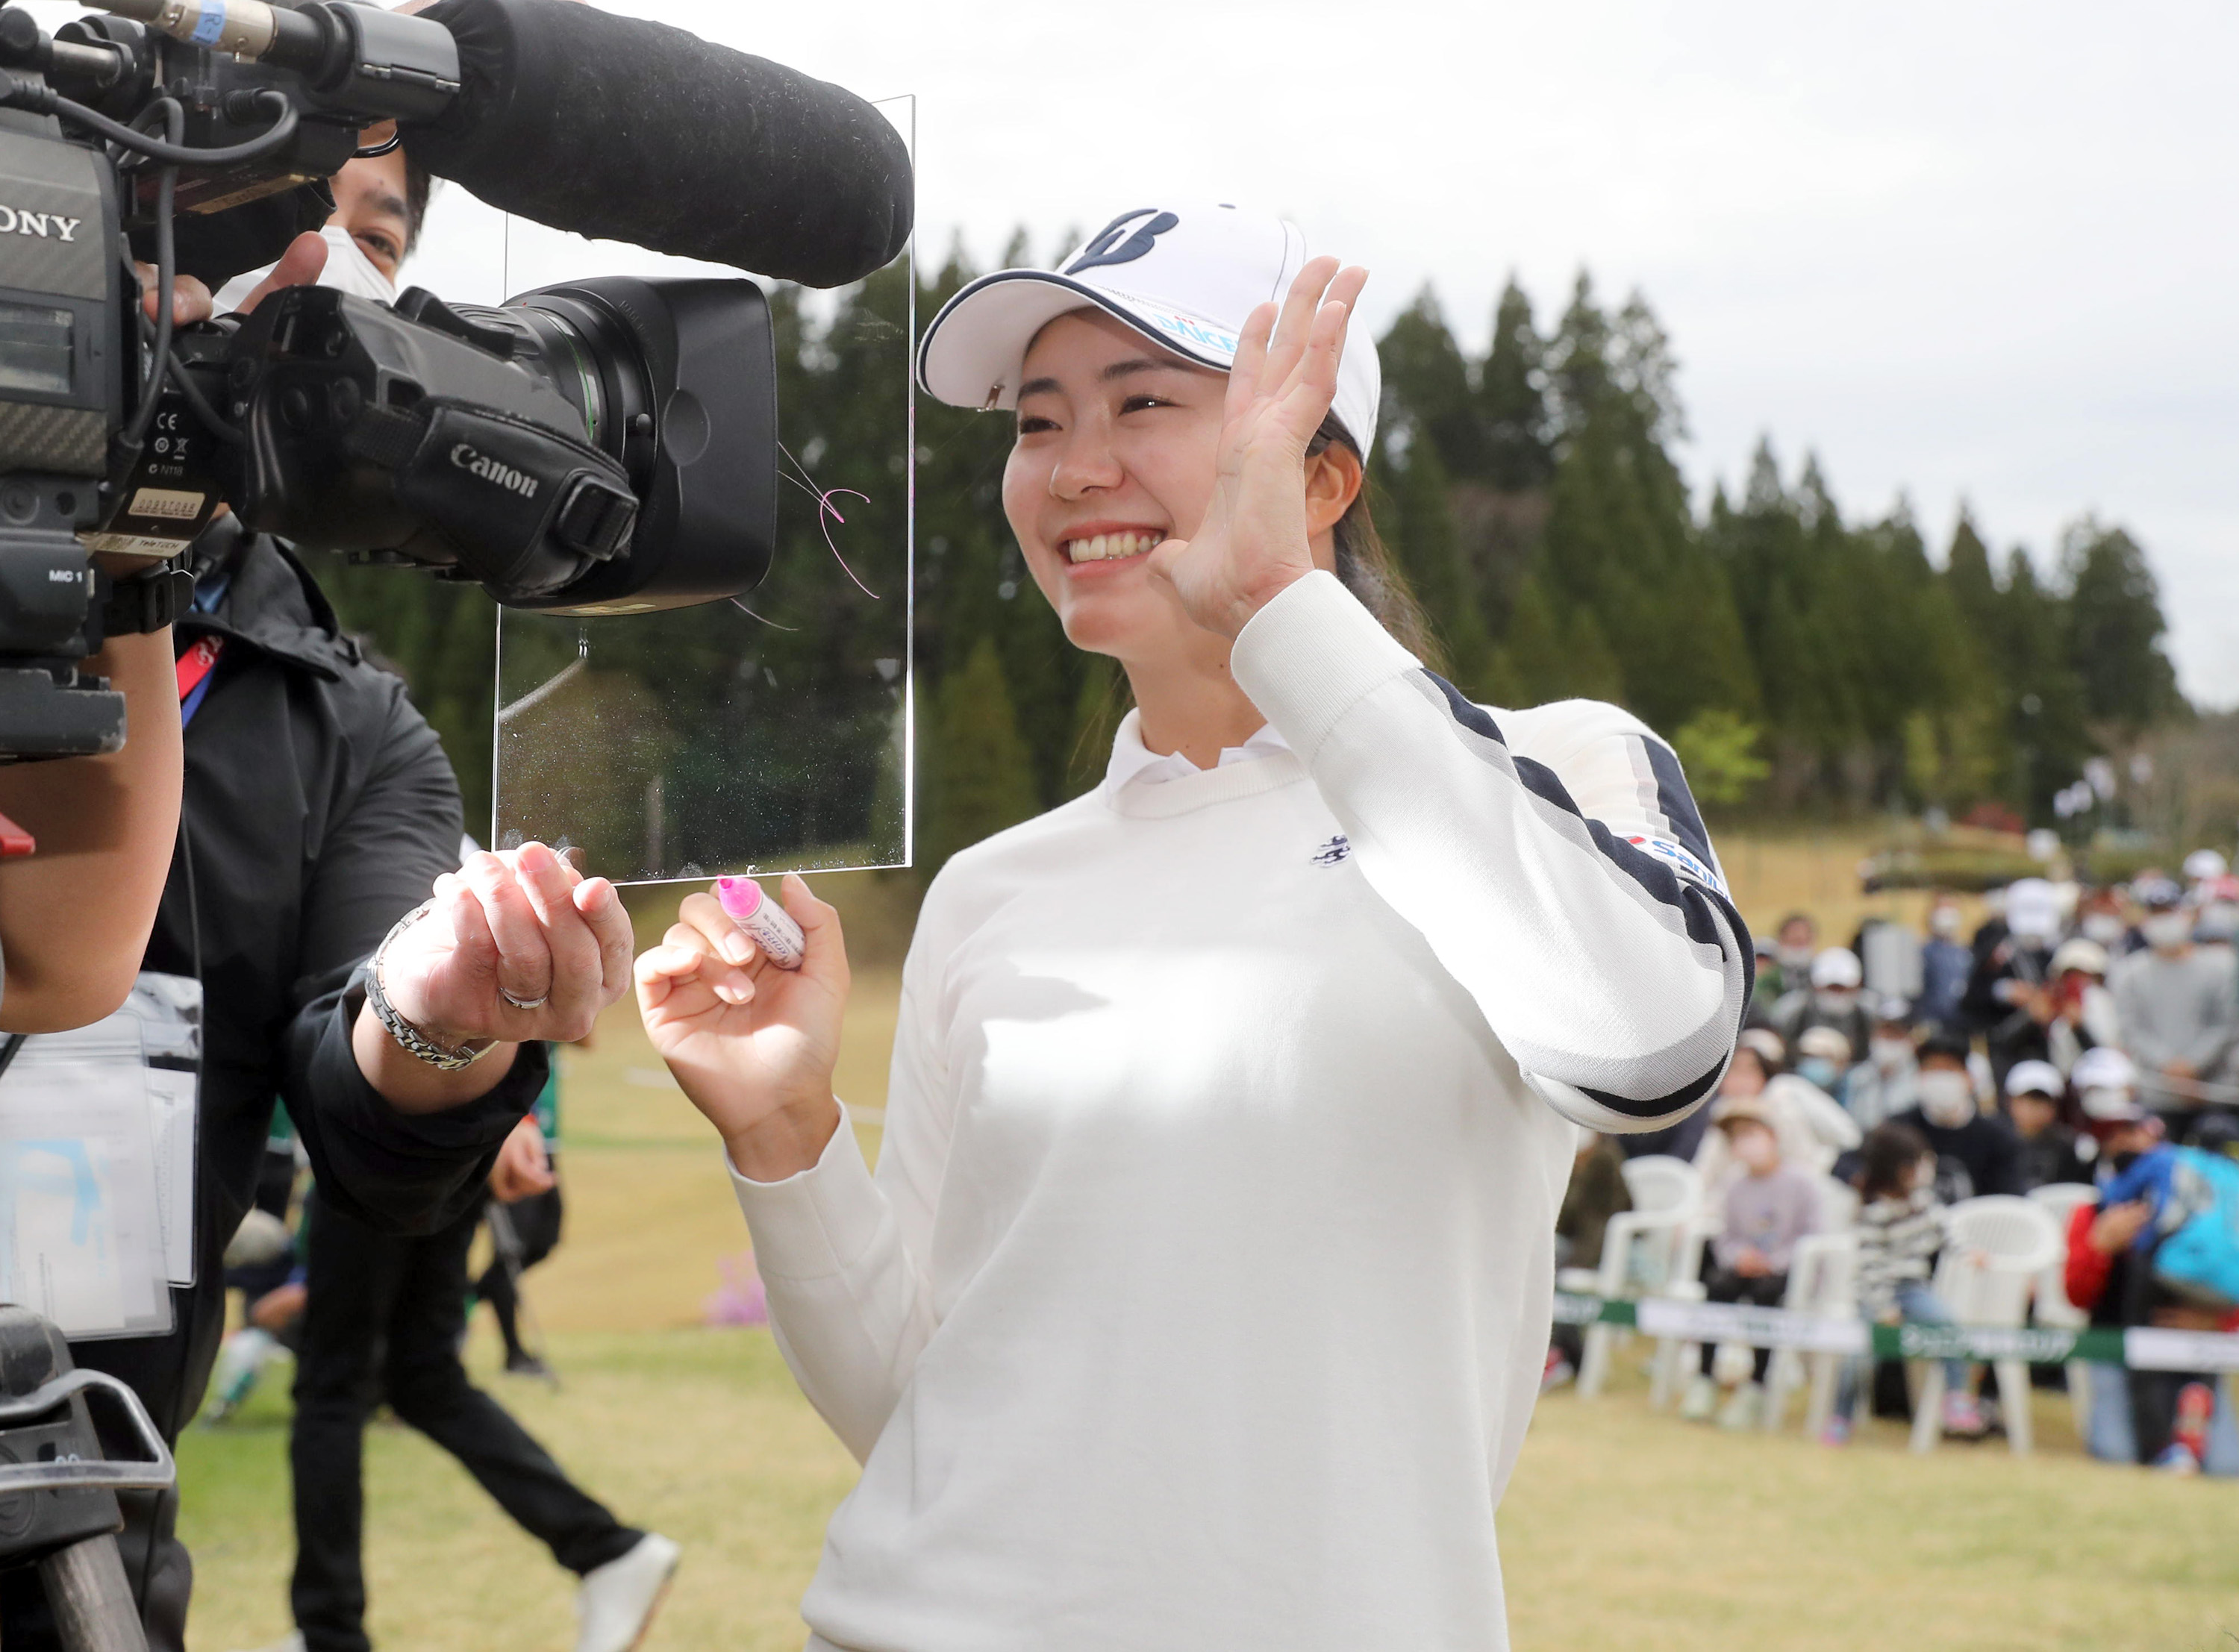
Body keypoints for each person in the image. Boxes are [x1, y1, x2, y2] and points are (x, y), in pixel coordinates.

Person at [635, 212, 1755, 1649]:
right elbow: (922, 1406)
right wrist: (784, 1135)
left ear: (1323, 474)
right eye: (1038, 424)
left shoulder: (1554, 770)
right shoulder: (993, 888)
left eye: (1144, 403)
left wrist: (1283, 610)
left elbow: (1652, 1046)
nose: (1073, 466)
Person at [0, 145, 640, 1652]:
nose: (290, 264)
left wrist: (433, 1026)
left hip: (77, 1543)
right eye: (198, 207)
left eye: (360, 232)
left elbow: (372, 1133)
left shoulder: (352, 731)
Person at [278, 1117, 677, 1652]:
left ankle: (329, 1635)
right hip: (451, 1143)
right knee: (425, 1379)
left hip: (370, 1131)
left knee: (333, 1392)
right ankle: (605, 1550)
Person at [2061, 1059, 2239, 1474]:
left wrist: (2216, 1321)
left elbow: (2227, 1273)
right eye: (2113, 1134)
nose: (2125, 1142)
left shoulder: (2203, 1207)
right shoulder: (2092, 1210)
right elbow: (2076, 1296)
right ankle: (2167, 1448)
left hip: (2197, 1349)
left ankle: (2176, 1445)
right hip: (2115, 1347)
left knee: (2225, 1467)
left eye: (2132, 1130)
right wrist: (2099, 1247)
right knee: (2117, 1455)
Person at [1828, 1121, 1980, 1444]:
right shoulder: (1872, 1211)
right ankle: (1841, 1416)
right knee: (1857, 1357)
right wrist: (1883, 1308)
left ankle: (1957, 1397)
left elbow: (1947, 1228)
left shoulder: (1922, 1202)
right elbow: (1870, 1267)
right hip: (1875, 1295)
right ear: (1898, 1168)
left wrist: (1968, 1251)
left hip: (1913, 1289)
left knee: (1948, 1326)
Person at [1678, 1100, 1820, 1429]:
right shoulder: (1735, 1184)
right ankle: (1704, 1377)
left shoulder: (1801, 1182)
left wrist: (1776, 1261)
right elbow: (1726, 1237)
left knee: (1767, 1295)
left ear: (1772, 1135)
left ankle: (1757, 1384)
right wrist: (1740, 1256)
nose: (1745, 1143)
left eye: (1751, 1133)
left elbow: (1812, 1235)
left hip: (1784, 1272)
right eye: (1737, 1137)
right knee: (1717, 1285)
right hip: (1745, 1266)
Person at [2111, 877, 2237, 1136]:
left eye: (2170, 911)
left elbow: (2227, 1024)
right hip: (2155, 1096)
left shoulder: (2222, 967)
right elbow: (2132, 1029)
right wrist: (2170, 1067)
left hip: (2214, 1095)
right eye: (2156, 913)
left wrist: (2193, 1065)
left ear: (2188, 914)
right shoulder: (2129, 973)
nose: (2164, 920)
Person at [478, 1063, 566, 1378]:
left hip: (544, 1137)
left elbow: (587, 1040)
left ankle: (467, 1293)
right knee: (510, 1250)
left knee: (545, 1240)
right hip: (507, 1137)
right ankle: (514, 1354)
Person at [1694, 1028, 1859, 1194]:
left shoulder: (1785, 1095)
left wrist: (1824, 1161)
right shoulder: (1721, 1111)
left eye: (1749, 1070)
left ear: (1766, 1071)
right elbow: (1707, 1171)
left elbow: (1847, 1135)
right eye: (1734, 1070)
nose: (1740, 1079)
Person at [1890, 1031, 2020, 1202]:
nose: (1941, 1079)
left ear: (1969, 1077)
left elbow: (2011, 1198)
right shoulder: (1897, 1131)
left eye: (1949, 1069)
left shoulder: (1998, 1137)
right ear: (1919, 1077)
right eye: (1932, 1069)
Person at [1548, 1131, 1632, 1388]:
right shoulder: (1572, 1157)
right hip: (1573, 1244)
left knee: (1558, 1275)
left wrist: (1580, 1261)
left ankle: (1560, 1357)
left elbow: (1598, 1223)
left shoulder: (1603, 1160)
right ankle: (1563, 1356)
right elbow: (1566, 1216)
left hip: (1607, 1249)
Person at [1961, 875, 2064, 1084]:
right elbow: (1971, 997)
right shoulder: (1995, 948)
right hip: (2005, 1046)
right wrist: (2004, 991)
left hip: (2048, 1046)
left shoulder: (2058, 951)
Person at [2003, 1059, 2091, 1190]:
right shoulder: (1996, 1143)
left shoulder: (2069, 1146)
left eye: (2044, 1101)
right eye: (2030, 1099)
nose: (2037, 1109)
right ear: (2011, 1101)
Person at [1771, 946, 1872, 1060]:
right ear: (1815, 986)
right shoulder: (1792, 1010)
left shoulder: (1868, 1012)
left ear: (1856, 987)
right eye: (1831, 988)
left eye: (1842, 989)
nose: (1836, 996)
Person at [2043, 936, 2119, 1075]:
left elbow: (2106, 1052)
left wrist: (2080, 1026)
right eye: (2072, 976)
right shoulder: (2054, 1012)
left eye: (2085, 976)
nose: (2078, 984)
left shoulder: (2103, 1002)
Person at [1843, 998, 1920, 1132]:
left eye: (1896, 1034)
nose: (1888, 1040)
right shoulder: (1856, 1077)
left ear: (1911, 1040)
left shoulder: (1921, 1080)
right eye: (1884, 1033)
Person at [1917, 896, 1973, 1030]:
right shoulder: (1923, 952)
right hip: (1931, 1022)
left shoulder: (1967, 953)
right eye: (1942, 911)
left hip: (1961, 1024)